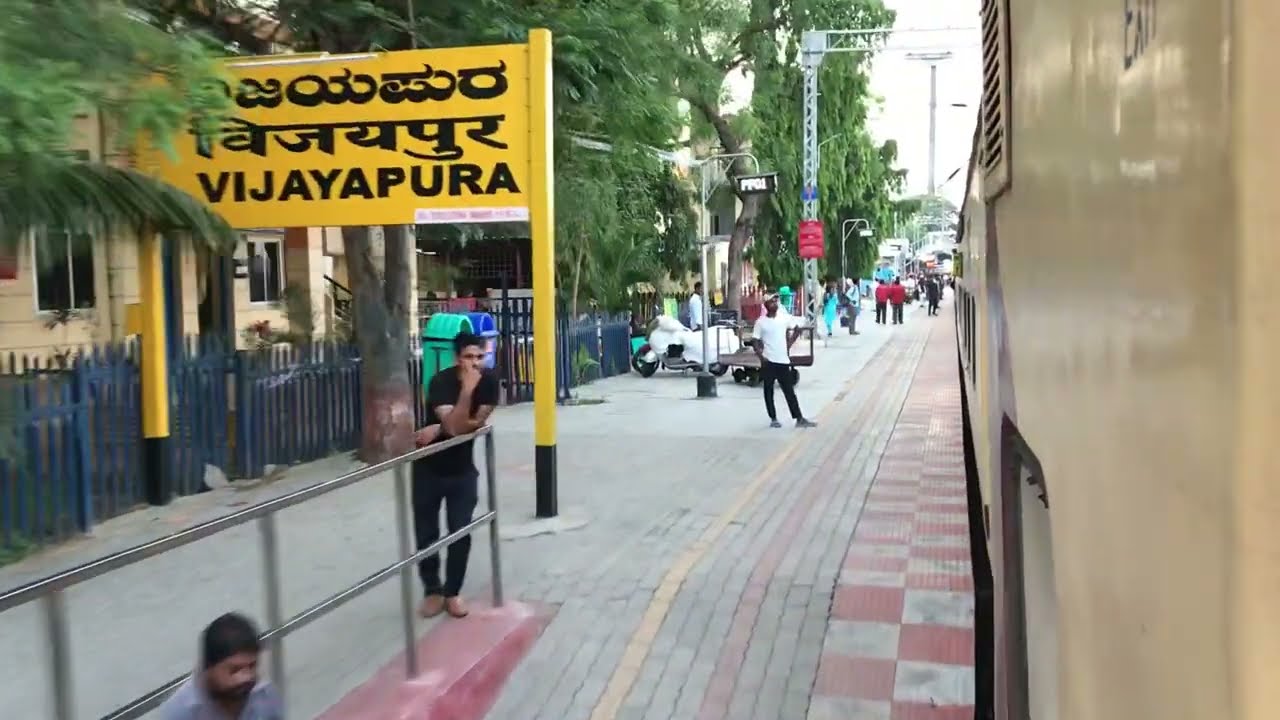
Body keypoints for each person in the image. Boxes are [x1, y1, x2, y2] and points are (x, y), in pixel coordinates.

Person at [414, 331, 500, 619]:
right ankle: (432, 590)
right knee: (426, 533)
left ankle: (452, 591)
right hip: (428, 468)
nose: (474, 364)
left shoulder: (488, 382)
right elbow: (456, 427)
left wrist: (440, 428)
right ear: (456, 358)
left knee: (460, 531)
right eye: (468, 357)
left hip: (462, 470)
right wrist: (464, 395)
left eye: (480, 357)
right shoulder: (440, 382)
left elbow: (470, 424)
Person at [159, 613, 283, 720]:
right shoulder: (179, 712)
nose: (246, 677)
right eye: (234, 670)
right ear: (208, 668)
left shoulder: (264, 695)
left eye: (251, 666)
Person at [753, 294, 817, 429]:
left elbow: (797, 328)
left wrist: (789, 343)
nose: (775, 303)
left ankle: (799, 418)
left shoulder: (783, 318)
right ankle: (773, 418)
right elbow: (755, 341)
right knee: (768, 390)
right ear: (766, 305)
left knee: (789, 391)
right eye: (772, 301)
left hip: (782, 360)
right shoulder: (761, 322)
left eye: (776, 301)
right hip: (768, 361)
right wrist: (761, 357)